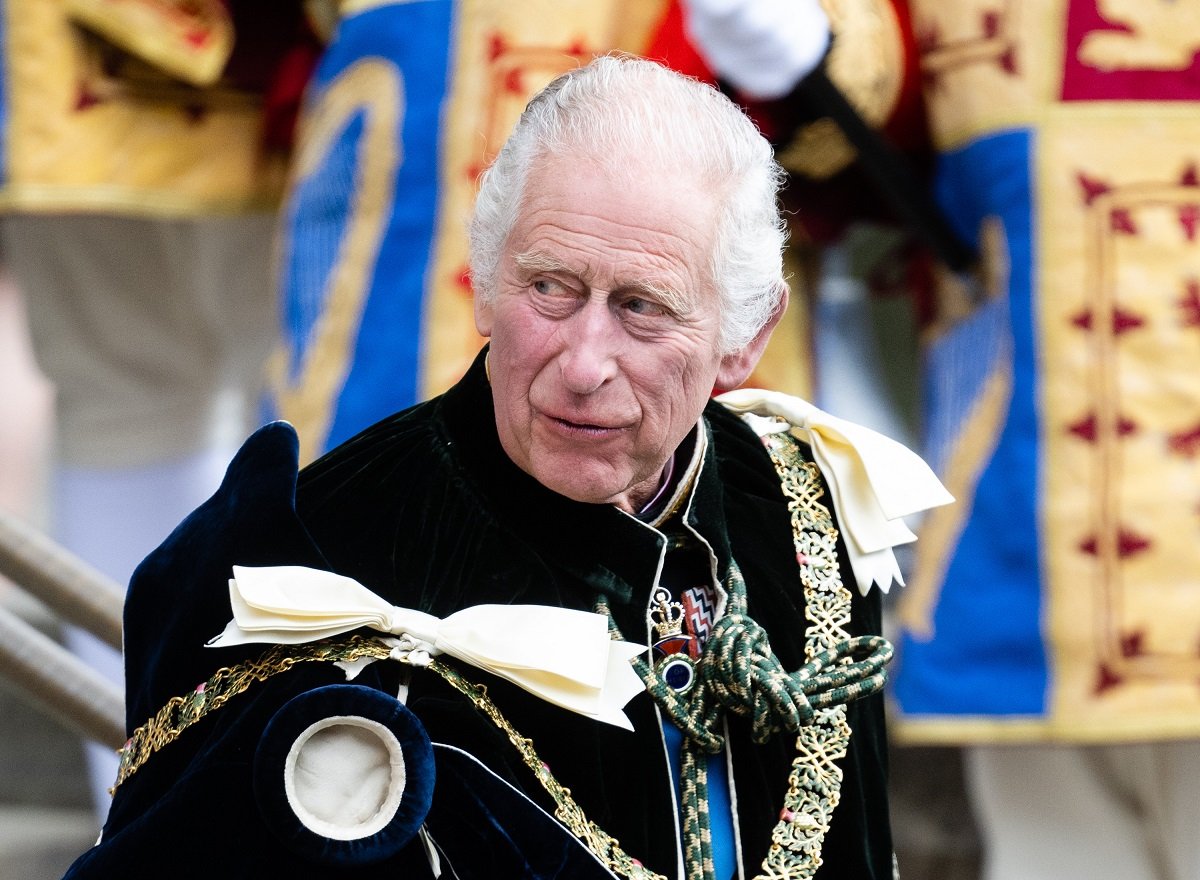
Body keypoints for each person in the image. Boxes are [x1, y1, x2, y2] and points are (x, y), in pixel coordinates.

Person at [61, 55, 950, 880]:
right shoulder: (315, 563)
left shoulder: (807, 508)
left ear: (744, 339)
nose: (583, 362)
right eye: (551, 288)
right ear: (484, 282)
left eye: (643, 308)